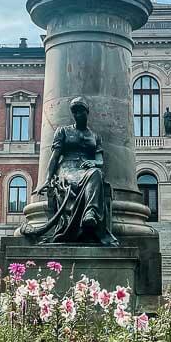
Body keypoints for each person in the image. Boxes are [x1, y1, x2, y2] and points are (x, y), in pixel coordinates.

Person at [24, 97, 117, 245]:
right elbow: (54, 157)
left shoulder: (95, 136)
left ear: (87, 112)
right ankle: (88, 215)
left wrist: (94, 162)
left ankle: (90, 213)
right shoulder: (63, 131)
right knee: (92, 175)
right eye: (74, 112)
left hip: (87, 169)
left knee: (96, 173)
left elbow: (100, 161)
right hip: (67, 168)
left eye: (80, 111)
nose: (77, 114)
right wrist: (48, 179)